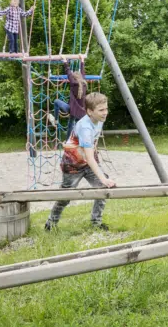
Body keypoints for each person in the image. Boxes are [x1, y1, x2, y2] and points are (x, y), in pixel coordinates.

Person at [44, 92, 116, 231]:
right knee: (65, 197)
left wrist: (102, 177)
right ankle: (50, 224)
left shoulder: (99, 120)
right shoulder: (85, 126)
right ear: (89, 111)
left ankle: (96, 223)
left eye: (106, 109)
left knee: (101, 188)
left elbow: (92, 146)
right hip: (72, 164)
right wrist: (103, 178)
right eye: (101, 110)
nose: (105, 113)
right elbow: (88, 157)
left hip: (87, 162)